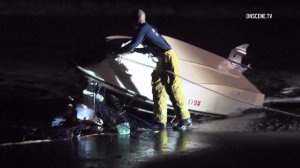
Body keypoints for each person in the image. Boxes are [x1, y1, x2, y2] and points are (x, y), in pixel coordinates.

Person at [122, 9, 192, 131]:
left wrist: (116, 51)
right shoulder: (148, 29)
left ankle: (186, 119)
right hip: (161, 59)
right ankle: (160, 122)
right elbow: (150, 49)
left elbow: (133, 44)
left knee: (174, 89)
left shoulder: (143, 29)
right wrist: (136, 51)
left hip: (169, 57)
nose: (130, 24)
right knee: (158, 88)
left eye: (131, 21)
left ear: (137, 19)